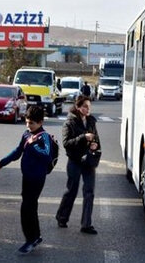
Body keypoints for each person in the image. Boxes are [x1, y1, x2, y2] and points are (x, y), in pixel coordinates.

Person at [0, 106, 54, 255]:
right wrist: (2, 162)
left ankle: (30, 239)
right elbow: (17, 151)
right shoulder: (27, 134)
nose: (29, 126)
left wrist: (33, 144)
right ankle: (36, 236)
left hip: (37, 178)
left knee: (26, 208)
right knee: (30, 207)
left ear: (40, 122)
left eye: (32, 123)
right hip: (26, 177)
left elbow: (46, 154)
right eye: (27, 122)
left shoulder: (44, 137)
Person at [56, 95, 100, 234]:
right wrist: (83, 138)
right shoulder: (70, 122)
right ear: (78, 107)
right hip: (75, 161)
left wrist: (94, 146)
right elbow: (66, 143)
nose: (87, 109)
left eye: (89, 106)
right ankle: (62, 217)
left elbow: (96, 139)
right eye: (85, 106)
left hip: (88, 161)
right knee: (72, 190)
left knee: (89, 192)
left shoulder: (91, 121)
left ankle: (86, 224)